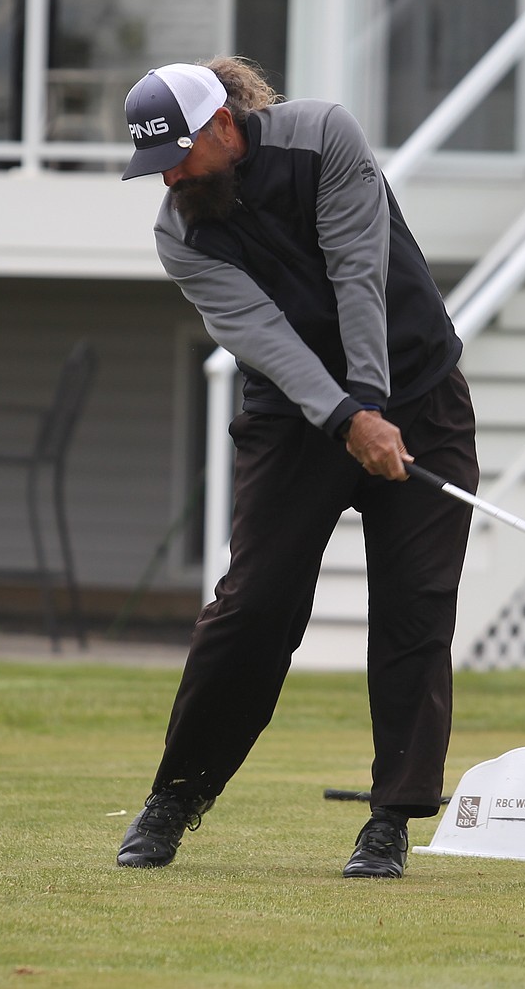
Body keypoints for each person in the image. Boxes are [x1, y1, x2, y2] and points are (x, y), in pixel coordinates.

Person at [116, 57, 478, 878]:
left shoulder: (324, 137)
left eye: (177, 154)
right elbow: (266, 339)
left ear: (222, 126)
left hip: (417, 388)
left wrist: (374, 406)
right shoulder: (182, 233)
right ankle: (177, 794)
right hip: (294, 412)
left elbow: (360, 273)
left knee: (415, 608)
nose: (169, 176)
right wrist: (348, 418)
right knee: (254, 604)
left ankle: (390, 820)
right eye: (156, 164)